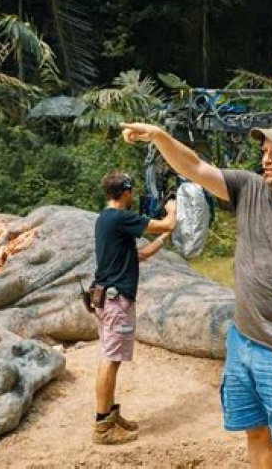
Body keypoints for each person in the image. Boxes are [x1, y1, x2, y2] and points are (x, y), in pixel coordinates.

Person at [121, 120, 272, 468]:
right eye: (264, 151)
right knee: (255, 432)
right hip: (242, 341)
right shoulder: (248, 187)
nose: (267, 159)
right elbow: (194, 167)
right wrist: (160, 137)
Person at [91, 170, 177, 445]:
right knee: (110, 359)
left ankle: (110, 416)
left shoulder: (106, 219)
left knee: (112, 358)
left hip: (106, 298)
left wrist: (164, 237)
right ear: (126, 192)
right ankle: (102, 426)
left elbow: (139, 255)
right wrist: (173, 209)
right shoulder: (120, 217)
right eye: (132, 191)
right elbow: (166, 222)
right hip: (116, 301)